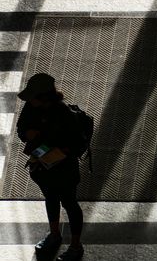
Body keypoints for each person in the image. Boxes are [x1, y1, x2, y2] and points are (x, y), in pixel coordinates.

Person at [16, 73, 84, 261]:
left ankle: (76, 246)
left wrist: (60, 149)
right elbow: (21, 128)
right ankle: (54, 234)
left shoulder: (64, 114)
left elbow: (77, 143)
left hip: (64, 167)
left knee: (70, 203)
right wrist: (26, 133)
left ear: (44, 96)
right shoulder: (31, 107)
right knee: (50, 197)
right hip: (41, 163)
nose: (29, 101)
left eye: (33, 97)